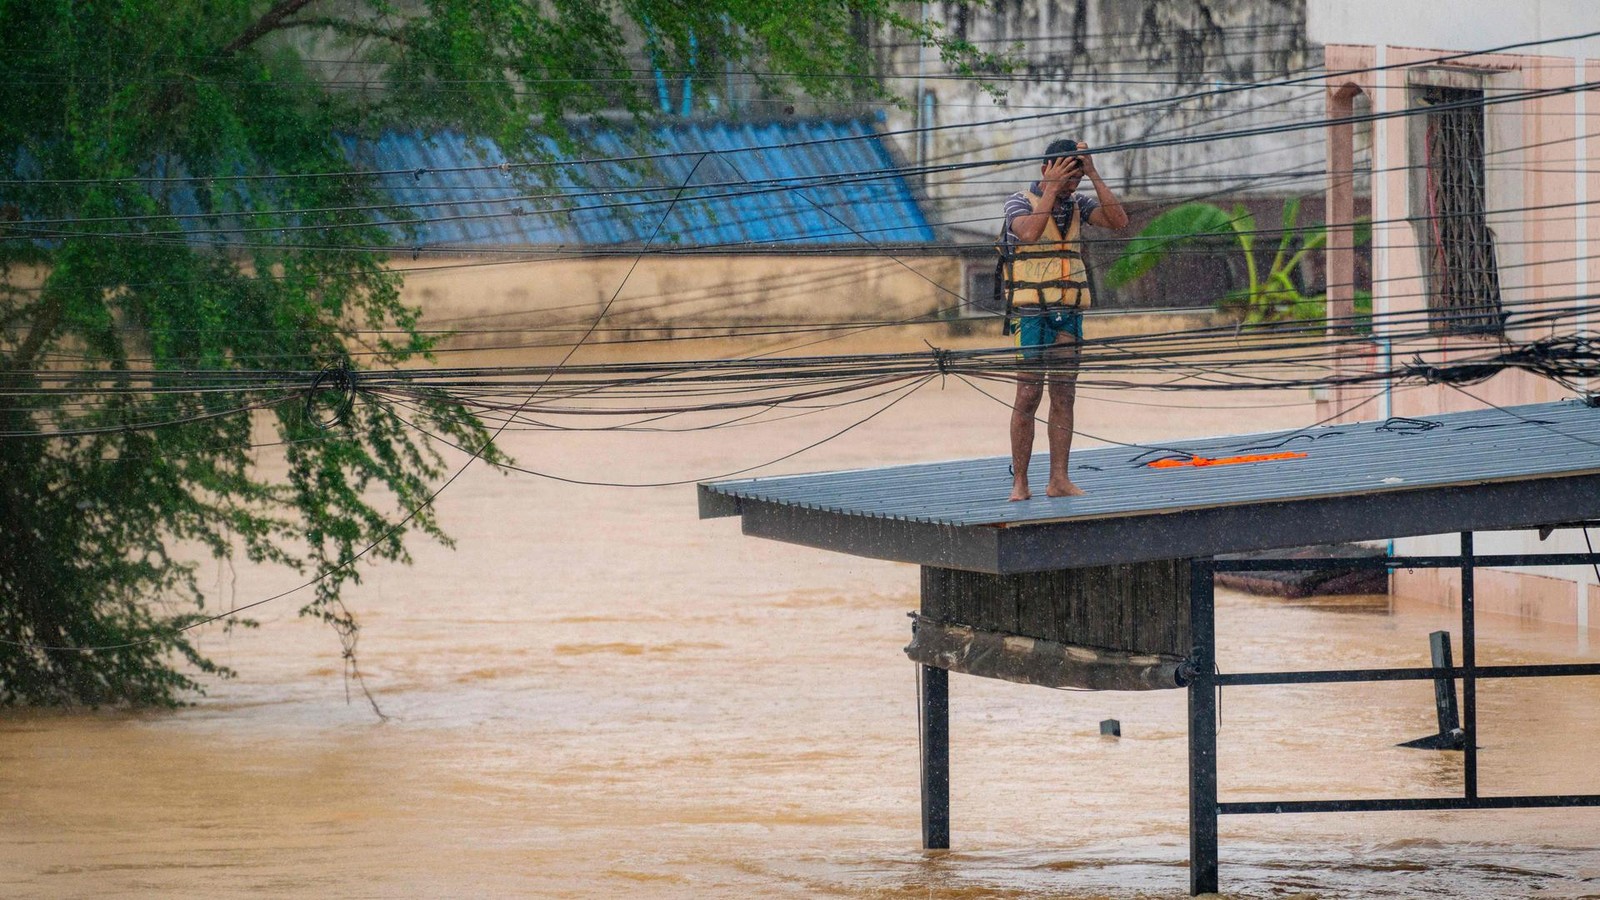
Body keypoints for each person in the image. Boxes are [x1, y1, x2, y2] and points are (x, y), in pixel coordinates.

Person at [1002, 138, 1129, 501]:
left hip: (1068, 310)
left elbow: (1118, 221)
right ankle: (1020, 482)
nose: (1071, 185)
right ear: (1046, 169)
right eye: (1066, 176)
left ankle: (1059, 479)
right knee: (1028, 393)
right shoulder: (1018, 202)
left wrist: (1093, 173)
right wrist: (1051, 188)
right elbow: (1028, 233)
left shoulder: (1078, 204)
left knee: (1064, 393)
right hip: (1031, 312)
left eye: (1076, 178)